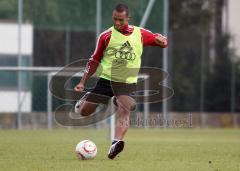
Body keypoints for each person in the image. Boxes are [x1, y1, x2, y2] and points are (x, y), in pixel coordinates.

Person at [74, 3, 168, 159]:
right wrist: (83, 81)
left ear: (128, 18)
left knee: (125, 110)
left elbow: (162, 42)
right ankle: (87, 96)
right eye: (114, 19)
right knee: (84, 112)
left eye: (121, 20)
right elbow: (94, 59)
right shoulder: (106, 36)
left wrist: (163, 41)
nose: (117, 23)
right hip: (106, 81)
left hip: (126, 84)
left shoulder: (140, 33)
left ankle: (115, 143)